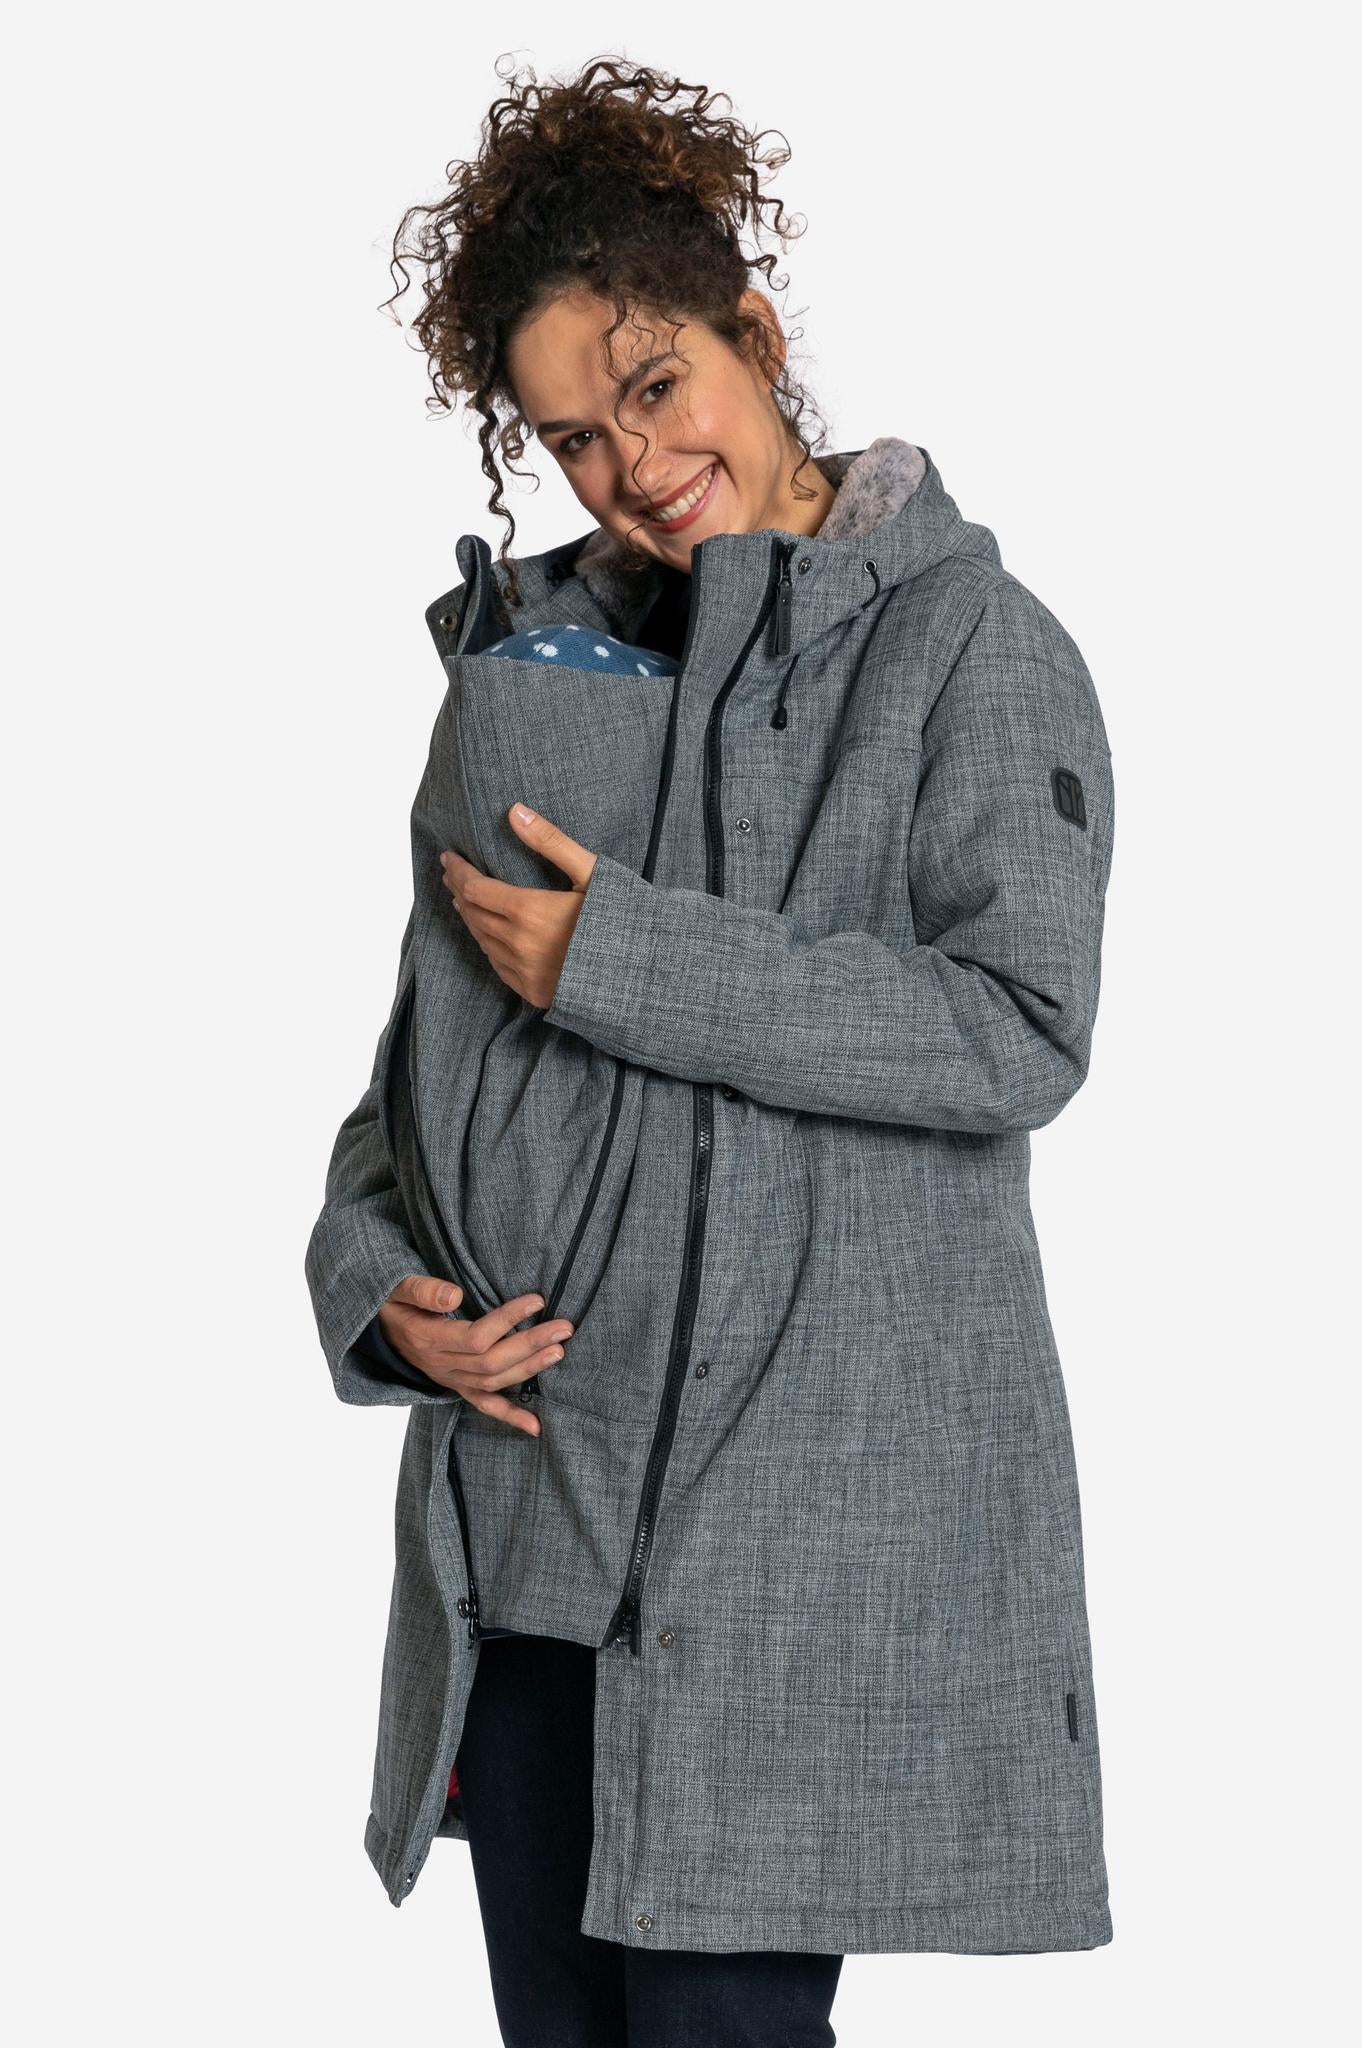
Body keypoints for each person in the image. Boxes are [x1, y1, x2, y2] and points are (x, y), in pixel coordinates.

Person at [305, 50, 1116, 2048]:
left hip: (777, 1571)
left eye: (657, 388)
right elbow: (414, 1083)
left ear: (754, 332)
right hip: (533, 1541)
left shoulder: (970, 652)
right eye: (573, 437)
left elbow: (1015, 1029)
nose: (632, 467)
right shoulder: (546, 673)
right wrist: (377, 1292)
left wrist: (633, 960)